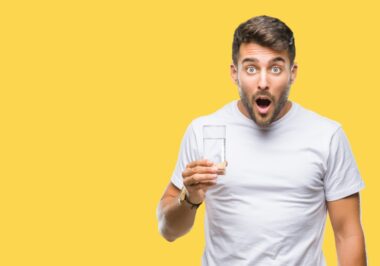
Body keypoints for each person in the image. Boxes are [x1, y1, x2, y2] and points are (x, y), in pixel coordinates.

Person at [156, 15, 367, 265]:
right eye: (251, 68)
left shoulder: (327, 136)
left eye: (276, 68)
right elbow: (169, 231)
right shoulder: (203, 130)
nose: (263, 82)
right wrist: (189, 197)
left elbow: (348, 234)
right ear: (235, 73)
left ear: (292, 73)